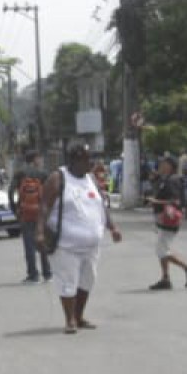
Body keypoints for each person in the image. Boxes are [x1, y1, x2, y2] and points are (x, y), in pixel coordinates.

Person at [42, 141, 121, 333]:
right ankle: (70, 320)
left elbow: (101, 205)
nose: (90, 162)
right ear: (74, 160)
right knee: (68, 282)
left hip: (91, 246)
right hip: (65, 245)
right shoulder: (58, 178)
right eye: (86, 159)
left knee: (88, 280)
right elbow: (44, 206)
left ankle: (79, 316)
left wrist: (112, 227)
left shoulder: (91, 179)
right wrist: (38, 232)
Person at [143, 157, 187, 289]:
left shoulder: (173, 180)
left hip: (169, 219)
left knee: (161, 250)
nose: (161, 166)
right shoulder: (166, 179)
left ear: (170, 166)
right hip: (163, 219)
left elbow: (175, 201)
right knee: (162, 249)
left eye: (163, 164)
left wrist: (155, 202)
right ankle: (165, 278)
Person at [8, 149, 51, 283]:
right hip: (41, 213)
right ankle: (47, 273)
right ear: (35, 159)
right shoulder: (43, 174)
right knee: (42, 241)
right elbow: (51, 191)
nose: (41, 161)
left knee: (29, 244)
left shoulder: (20, 173)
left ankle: (33, 275)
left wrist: (15, 209)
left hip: (25, 213)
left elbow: (10, 191)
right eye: (39, 158)